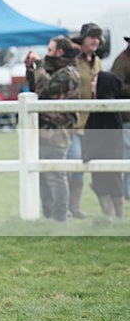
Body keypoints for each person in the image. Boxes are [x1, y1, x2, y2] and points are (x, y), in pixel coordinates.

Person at [25, 36, 80, 222]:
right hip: (44, 130)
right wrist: (30, 69)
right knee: (42, 176)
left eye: (50, 50)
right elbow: (35, 89)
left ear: (60, 52)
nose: (47, 54)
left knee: (56, 174)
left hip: (58, 132)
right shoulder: (56, 70)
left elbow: (44, 88)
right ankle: (49, 215)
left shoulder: (68, 73)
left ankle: (60, 216)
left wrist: (39, 63)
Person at [66, 23, 104, 218]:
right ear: (83, 39)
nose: (95, 41)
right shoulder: (74, 61)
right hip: (74, 120)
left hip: (91, 123)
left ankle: (74, 207)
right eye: (92, 37)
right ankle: (64, 206)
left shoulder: (97, 61)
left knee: (82, 165)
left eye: (98, 37)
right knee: (72, 161)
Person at [83, 72, 124, 218]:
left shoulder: (108, 109)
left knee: (110, 189)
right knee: (105, 189)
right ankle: (111, 220)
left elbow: (107, 137)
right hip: (100, 154)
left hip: (106, 154)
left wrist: (91, 152)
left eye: (95, 80)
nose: (92, 83)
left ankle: (115, 220)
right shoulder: (99, 106)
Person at [109, 34, 130, 201]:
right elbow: (116, 87)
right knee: (126, 157)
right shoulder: (122, 62)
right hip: (126, 117)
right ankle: (125, 192)